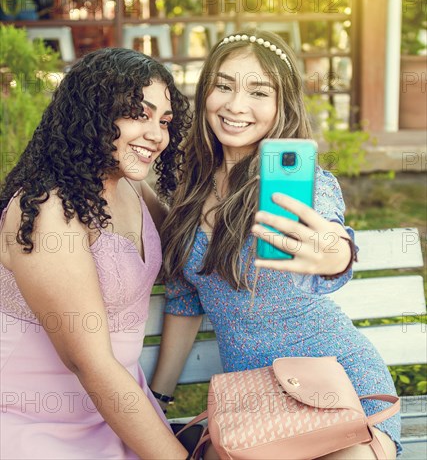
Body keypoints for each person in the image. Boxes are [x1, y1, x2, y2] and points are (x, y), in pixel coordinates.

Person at [150, 31, 401, 459]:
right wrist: (159, 399)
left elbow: (333, 241)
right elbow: (185, 300)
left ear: (282, 103)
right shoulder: (187, 190)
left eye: (258, 91)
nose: (235, 105)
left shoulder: (302, 185)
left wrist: (334, 254)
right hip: (253, 402)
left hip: (341, 384)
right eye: (223, 85)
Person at [0, 48, 191, 459]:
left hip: (120, 403)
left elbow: (188, 250)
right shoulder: (47, 209)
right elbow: (90, 364)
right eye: (139, 114)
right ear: (92, 113)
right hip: (40, 422)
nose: (157, 135)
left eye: (165, 121)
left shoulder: (130, 187)